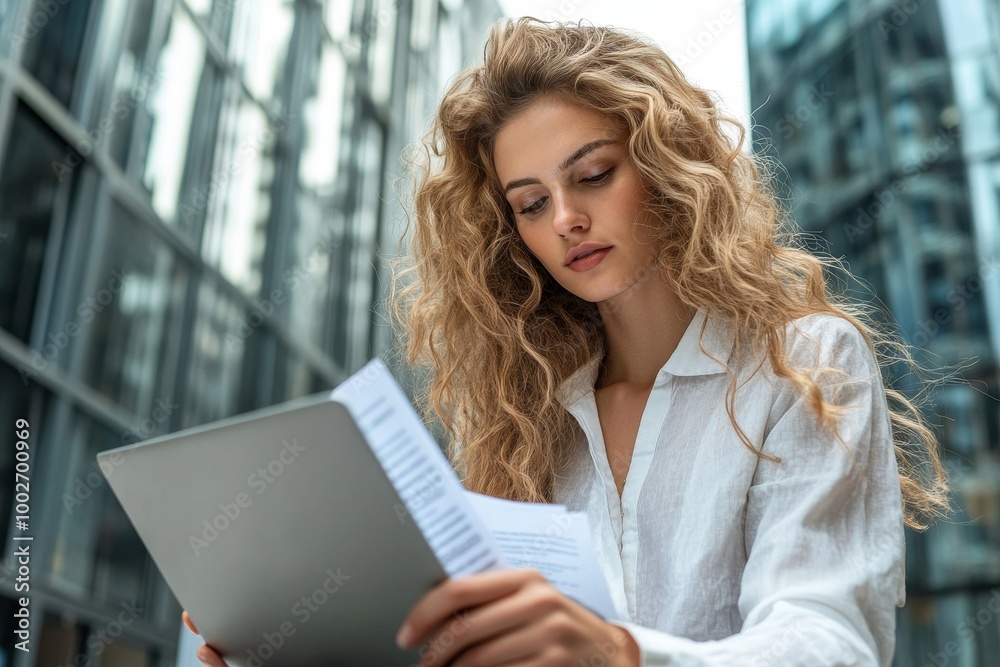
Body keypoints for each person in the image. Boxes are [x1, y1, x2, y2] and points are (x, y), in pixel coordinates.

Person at [183, 17, 951, 667]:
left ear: (663, 167)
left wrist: (621, 653)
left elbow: (828, 641)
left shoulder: (805, 364)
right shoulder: (523, 426)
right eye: (530, 202)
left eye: (592, 174)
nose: (564, 221)